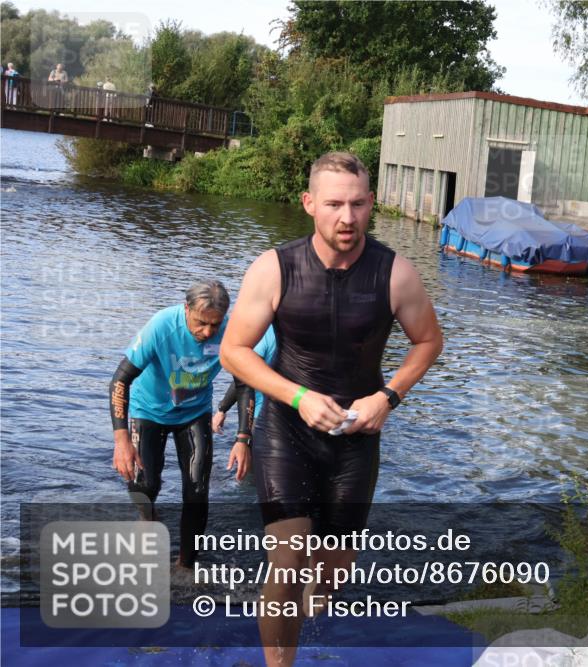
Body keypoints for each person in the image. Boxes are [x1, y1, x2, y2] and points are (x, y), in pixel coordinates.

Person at [220, 152, 443, 665]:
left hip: (357, 432)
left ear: (372, 204)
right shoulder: (275, 267)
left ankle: (313, 598)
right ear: (309, 204)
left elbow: (429, 341)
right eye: (335, 204)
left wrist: (388, 396)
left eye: (359, 204)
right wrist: (297, 396)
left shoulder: (396, 273)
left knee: (334, 570)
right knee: (288, 561)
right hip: (287, 428)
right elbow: (235, 349)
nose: (348, 218)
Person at [111, 280, 253, 572]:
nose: (207, 333)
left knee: (197, 490)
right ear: (186, 309)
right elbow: (119, 380)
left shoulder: (230, 332)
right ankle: (148, 518)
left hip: (194, 413)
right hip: (148, 411)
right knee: (147, 484)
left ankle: (186, 565)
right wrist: (121, 439)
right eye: (201, 323)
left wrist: (243, 438)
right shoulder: (162, 327)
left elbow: (244, 385)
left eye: (214, 325)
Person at [213, 324, 277, 432]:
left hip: (262, 415)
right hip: (297, 412)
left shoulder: (265, 333)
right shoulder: (303, 334)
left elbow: (244, 375)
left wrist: (222, 409)